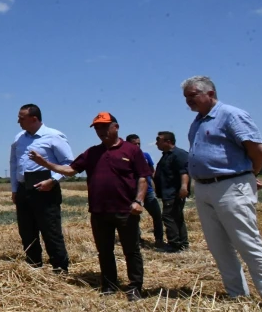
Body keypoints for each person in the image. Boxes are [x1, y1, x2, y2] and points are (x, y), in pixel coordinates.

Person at [29, 112, 151, 301]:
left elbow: (143, 177)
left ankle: (135, 287)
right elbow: (70, 170)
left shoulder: (131, 151)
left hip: (126, 210)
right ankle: (109, 285)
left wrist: (139, 201)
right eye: (97, 128)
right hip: (99, 211)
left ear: (116, 127)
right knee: (104, 250)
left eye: (104, 126)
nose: (101, 131)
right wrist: (45, 163)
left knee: (131, 250)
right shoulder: (92, 153)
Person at [182, 75, 262, 308]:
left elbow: (257, 149)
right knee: (219, 246)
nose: (188, 101)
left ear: (209, 93)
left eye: (192, 96)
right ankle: (237, 296)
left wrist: (251, 174)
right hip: (205, 189)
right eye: (185, 97)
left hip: (231, 186)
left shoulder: (231, 114)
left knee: (247, 243)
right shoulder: (198, 122)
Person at [9, 104, 74, 274]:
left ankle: (60, 268)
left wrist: (53, 181)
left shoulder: (53, 136)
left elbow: (69, 164)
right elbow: (14, 163)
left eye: (21, 118)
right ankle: (33, 266)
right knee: (26, 230)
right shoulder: (18, 138)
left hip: (46, 188)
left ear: (34, 119)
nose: (18, 121)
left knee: (50, 230)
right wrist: (15, 189)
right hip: (24, 188)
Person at [153, 131, 190, 252]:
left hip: (174, 192)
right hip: (167, 192)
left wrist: (184, 187)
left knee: (168, 216)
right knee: (177, 217)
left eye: (159, 140)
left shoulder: (178, 154)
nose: (156, 143)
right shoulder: (166, 155)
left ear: (168, 141)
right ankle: (183, 244)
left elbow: (184, 172)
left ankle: (174, 245)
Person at [126, 134, 165, 249]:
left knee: (157, 215)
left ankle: (159, 239)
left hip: (148, 192)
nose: (137, 146)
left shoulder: (145, 156)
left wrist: (157, 186)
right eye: (134, 144)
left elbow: (151, 172)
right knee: (133, 217)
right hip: (132, 193)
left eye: (139, 143)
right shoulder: (125, 157)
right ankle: (137, 239)